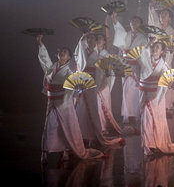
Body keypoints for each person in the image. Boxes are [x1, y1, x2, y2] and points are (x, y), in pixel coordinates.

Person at [37, 34, 104, 164]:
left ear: (69, 57)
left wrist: (77, 90)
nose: (62, 54)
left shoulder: (69, 71)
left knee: (64, 127)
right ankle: (44, 153)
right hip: (52, 102)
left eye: (65, 53)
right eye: (61, 52)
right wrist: (40, 43)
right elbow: (44, 60)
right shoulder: (52, 67)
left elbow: (74, 83)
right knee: (50, 126)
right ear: (58, 55)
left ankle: (65, 151)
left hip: (63, 102)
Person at [136, 39, 174, 156]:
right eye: (153, 47)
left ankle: (152, 144)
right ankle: (148, 145)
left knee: (153, 120)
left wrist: (171, 83)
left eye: (157, 47)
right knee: (145, 119)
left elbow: (167, 77)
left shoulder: (163, 65)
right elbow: (142, 54)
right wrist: (148, 43)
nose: (154, 49)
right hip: (144, 92)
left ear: (162, 51)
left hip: (155, 95)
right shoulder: (145, 59)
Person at [74, 32, 124, 147]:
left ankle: (92, 136)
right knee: (81, 110)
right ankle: (80, 135)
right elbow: (77, 68)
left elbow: (101, 75)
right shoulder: (82, 54)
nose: (90, 41)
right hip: (82, 84)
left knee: (92, 111)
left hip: (92, 86)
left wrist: (96, 87)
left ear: (96, 42)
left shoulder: (99, 57)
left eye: (92, 39)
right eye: (88, 39)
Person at [112, 12, 148, 133]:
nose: (134, 23)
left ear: (141, 24)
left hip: (136, 67)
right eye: (132, 21)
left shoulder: (143, 38)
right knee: (126, 91)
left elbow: (144, 54)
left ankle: (135, 115)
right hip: (125, 66)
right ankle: (127, 115)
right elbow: (120, 48)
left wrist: (138, 63)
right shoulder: (126, 35)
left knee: (135, 91)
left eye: (136, 21)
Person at [148, 0, 174, 116]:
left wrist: (168, 50)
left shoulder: (172, 31)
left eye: (165, 14)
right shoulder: (155, 28)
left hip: (166, 59)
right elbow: (151, 41)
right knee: (155, 81)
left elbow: (173, 47)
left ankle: (167, 107)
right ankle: (154, 105)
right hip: (155, 58)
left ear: (170, 18)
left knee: (166, 81)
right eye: (162, 14)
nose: (162, 15)